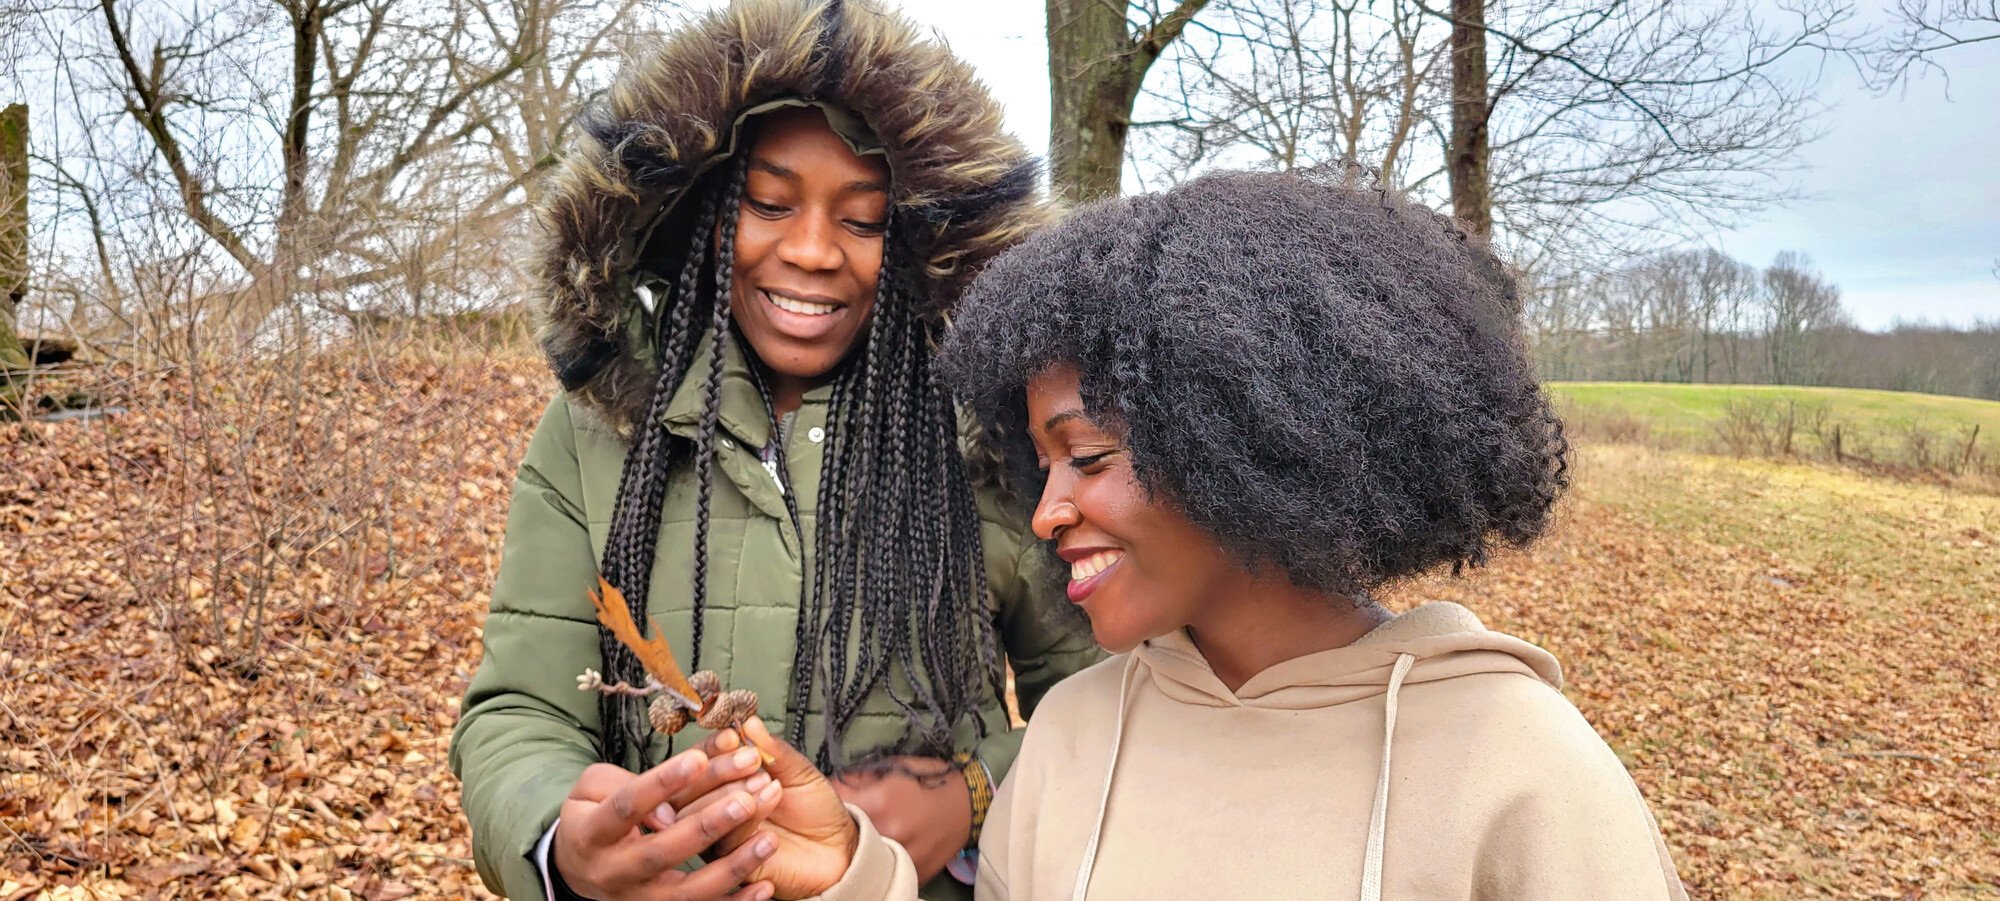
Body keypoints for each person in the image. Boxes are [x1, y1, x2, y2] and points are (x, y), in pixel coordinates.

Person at [695, 169, 1690, 900]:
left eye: (1085, 456)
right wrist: (855, 877)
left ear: (1250, 442)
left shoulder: (1517, 770)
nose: (1044, 513)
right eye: (1039, 465)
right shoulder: (1071, 738)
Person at [446, 1, 1100, 899]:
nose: (812, 251)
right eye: (769, 203)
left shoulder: (990, 439)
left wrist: (980, 792)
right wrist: (559, 835)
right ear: (709, 218)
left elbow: (1122, 698)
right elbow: (521, 709)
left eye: (863, 221)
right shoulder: (595, 434)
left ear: (911, 245)